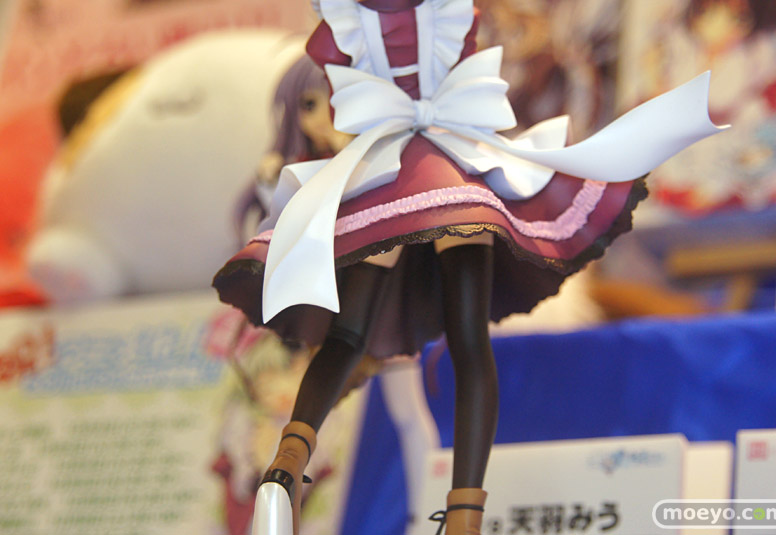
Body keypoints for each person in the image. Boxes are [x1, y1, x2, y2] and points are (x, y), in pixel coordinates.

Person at [213, 0, 725, 533]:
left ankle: (287, 464)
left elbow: (331, 60)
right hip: (454, 179)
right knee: (469, 345)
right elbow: (463, 52)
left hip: (383, 179)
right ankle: (463, 515)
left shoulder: (350, 19)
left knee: (346, 337)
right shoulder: (447, 12)